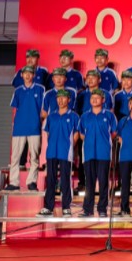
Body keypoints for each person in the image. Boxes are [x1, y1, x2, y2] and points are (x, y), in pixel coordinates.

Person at [36, 89, 79, 217]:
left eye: (63, 98)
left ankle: (66, 207)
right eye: (58, 98)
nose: (60, 100)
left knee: (65, 179)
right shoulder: (51, 116)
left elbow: (76, 134)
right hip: (51, 152)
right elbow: (48, 133)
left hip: (65, 152)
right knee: (51, 179)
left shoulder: (74, 116)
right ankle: (48, 207)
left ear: (69, 100)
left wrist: (70, 146)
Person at [77, 88, 118, 217]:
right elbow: (81, 134)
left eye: (97, 98)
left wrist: (104, 140)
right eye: (92, 98)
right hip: (89, 153)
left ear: (103, 100)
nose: (94, 100)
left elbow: (114, 133)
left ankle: (102, 209)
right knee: (89, 182)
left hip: (103, 153)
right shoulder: (84, 116)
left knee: (103, 182)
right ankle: (87, 209)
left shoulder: (109, 116)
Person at [8, 66, 45, 191]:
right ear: (22, 75)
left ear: (34, 75)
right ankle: (14, 182)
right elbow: (15, 109)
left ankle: (32, 182)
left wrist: (39, 121)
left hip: (34, 127)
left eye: (30, 73)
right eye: (25, 73)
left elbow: (43, 109)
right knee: (15, 157)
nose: (28, 75)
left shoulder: (40, 89)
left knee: (34, 157)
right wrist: (14, 125)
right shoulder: (18, 91)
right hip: (19, 128)